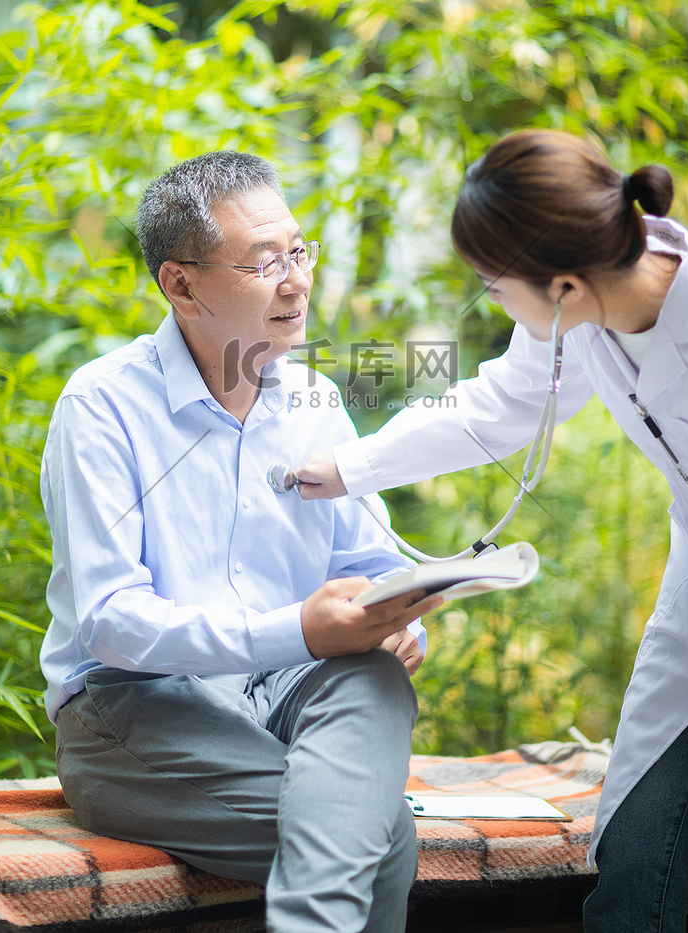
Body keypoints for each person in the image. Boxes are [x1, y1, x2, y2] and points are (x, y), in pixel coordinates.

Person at [296, 129, 688, 933]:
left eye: (493, 283)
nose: (490, 299)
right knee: (633, 854)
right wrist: (348, 466)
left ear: (560, 283)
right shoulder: (581, 315)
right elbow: (498, 408)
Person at [40, 149, 441, 933]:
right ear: (180, 285)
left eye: (298, 250)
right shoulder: (102, 406)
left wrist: (399, 619)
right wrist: (296, 628)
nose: (295, 280)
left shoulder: (314, 397)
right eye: (264, 262)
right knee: (383, 839)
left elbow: (366, 561)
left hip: (290, 693)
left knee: (378, 680)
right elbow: (112, 620)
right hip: (135, 710)